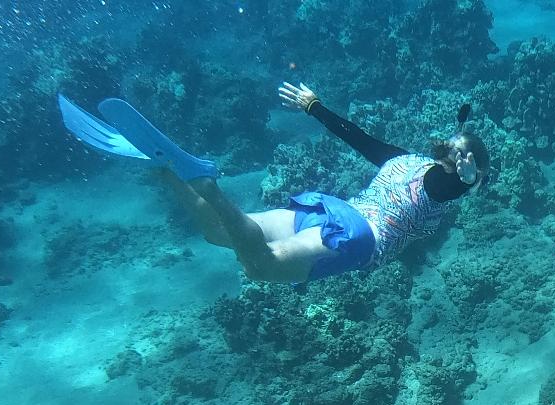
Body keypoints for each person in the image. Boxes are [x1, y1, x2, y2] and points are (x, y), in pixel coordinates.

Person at [58, 83, 490, 284]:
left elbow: (357, 135)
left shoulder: (405, 160)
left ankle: (165, 171)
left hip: (332, 211)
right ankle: (208, 186)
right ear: (457, 163)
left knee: (216, 232)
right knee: (260, 266)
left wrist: (315, 106)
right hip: (360, 238)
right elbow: (443, 188)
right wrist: (468, 184)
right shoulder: (442, 184)